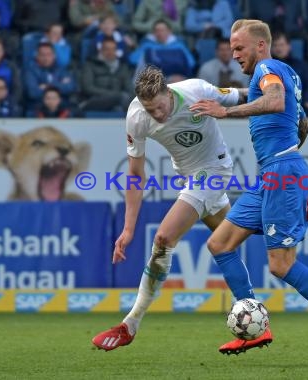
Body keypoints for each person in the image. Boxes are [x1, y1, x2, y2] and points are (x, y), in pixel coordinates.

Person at [190, 19, 308, 366]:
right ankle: (258, 326)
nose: (234, 54)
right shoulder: (286, 73)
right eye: (231, 47)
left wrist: (225, 112)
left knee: (280, 264)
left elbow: (273, 101)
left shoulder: (269, 68)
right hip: (272, 175)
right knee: (220, 243)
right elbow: (300, 122)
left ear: (260, 45)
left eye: (239, 47)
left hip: (282, 174)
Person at [91, 65, 251, 351]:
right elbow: (136, 175)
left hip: (215, 170)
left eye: (161, 107)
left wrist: (277, 94)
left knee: (164, 238)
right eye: (150, 110)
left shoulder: (196, 91)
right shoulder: (137, 117)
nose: (158, 115)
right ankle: (299, 207)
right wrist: (128, 229)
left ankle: (131, 323)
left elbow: (239, 96)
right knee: (235, 236)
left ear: (169, 92)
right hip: (189, 177)